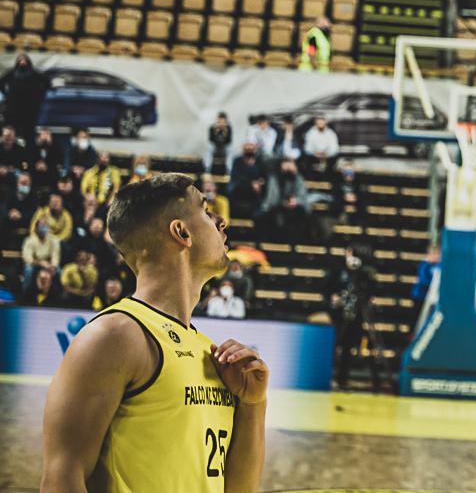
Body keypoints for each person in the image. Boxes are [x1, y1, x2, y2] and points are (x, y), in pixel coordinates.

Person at [40, 173, 269, 491]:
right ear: (182, 232)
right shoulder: (115, 336)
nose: (221, 221)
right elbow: (61, 480)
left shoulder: (208, 351)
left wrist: (253, 404)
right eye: (206, 211)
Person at [329, 246, 384, 390]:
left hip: (357, 315)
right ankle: (328, 378)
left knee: (349, 348)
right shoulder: (338, 271)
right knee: (334, 346)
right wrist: (333, 298)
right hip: (339, 316)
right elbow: (327, 289)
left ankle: (343, 380)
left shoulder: (364, 274)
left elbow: (371, 290)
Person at [257, 158, 310, 242]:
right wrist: (282, 203)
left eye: (291, 166)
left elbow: (303, 198)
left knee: (301, 216)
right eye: (286, 166)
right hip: (277, 208)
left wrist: (296, 201)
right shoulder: (273, 178)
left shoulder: (299, 179)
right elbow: (271, 200)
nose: (288, 168)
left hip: (295, 209)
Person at [0, 53, 48, 143]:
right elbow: (1, 82)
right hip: (14, 106)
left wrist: (40, 95)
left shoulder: (35, 73)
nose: (22, 62)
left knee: (28, 129)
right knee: (14, 128)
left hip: (30, 107)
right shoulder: (12, 73)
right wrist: (6, 93)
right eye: (20, 61)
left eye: (24, 60)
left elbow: (47, 83)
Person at [22, 218, 61, 287]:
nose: (44, 228)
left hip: (49, 263)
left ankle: (57, 291)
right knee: (28, 270)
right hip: (35, 263)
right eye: (42, 225)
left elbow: (55, 256)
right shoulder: (29, 240)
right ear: (36, 228)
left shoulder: (54, 239)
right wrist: (40, 263)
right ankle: (26, 290)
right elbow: (27, 258)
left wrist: (52, 266)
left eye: (46, 225)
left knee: (58, 271)